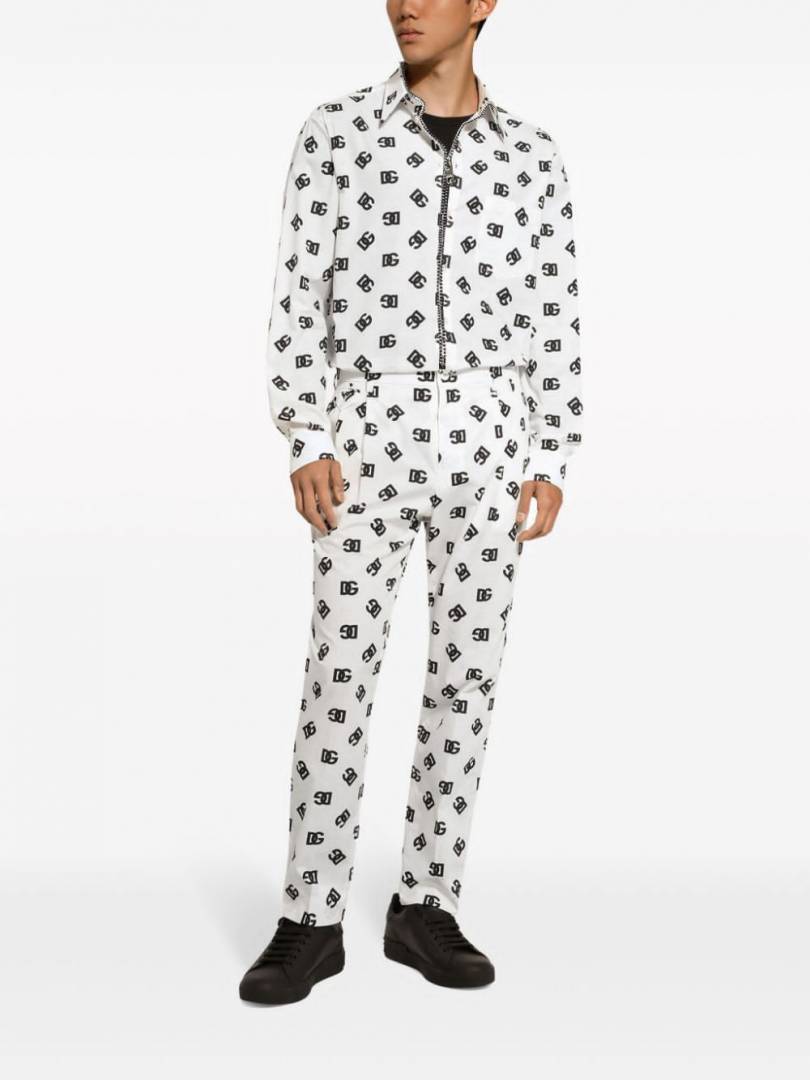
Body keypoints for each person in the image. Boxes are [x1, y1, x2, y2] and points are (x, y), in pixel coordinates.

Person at [240, 0, 584, 1005]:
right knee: (339, 675)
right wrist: (307, 433)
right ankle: (311, 915)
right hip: (367, 436)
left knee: (466, 681)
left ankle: (425, 904)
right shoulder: (335, 133)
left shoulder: (533, 156)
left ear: (484, 4)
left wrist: (551, 448)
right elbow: (297, 291)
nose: (404, 4)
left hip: (488, 443)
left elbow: (555, 305)